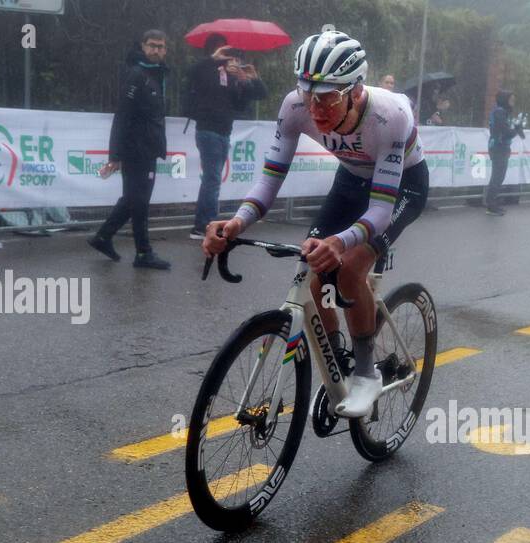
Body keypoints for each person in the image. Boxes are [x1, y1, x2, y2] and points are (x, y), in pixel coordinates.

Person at [203, 29, 429, 419]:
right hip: (351, 180)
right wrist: (239, 222)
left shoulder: (389, 115)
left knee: (351, 267)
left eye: (327, 98)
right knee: (313, 267)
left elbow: (378, 211)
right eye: (308, 94)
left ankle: (365, 372)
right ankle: (338, 356)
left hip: (402, 187)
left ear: (356, 92)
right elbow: (270, 177)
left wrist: (342, 243)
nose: (315, 108)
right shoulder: (295, 107)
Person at [89, 30, 172, 270]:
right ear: (143, 46)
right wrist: (115, 155)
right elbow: (122, 115)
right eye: (152, 45)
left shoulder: (156, 74)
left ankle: (103, 238)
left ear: (165, 50)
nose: (156, 50)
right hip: (137, 150)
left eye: (160, 46)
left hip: (148, 147)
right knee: (140, 201)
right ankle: (143, 253)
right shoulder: (137, 74)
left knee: (133, 199)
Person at [187, 34, 265, 239]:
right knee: (212, 179)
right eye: (222, 52)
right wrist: (213, 59)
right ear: (213, 52)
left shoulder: (232, 77)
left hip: (223, 132)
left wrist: (250, 78)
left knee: (213, 180)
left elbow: (258, 95)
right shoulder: (205, 71)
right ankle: (205, 225)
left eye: (229, 53)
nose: (227, 57)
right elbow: (191, 72)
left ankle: (203, 224)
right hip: (207, 130)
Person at [485, 89, 523, 216]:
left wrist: (516, 129)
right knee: (497, 177)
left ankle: (492, 203)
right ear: (504, 99)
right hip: (498, 147)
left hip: (501, 147)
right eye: (511, 99)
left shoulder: (503, 112)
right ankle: (491, 205)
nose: (513, 102)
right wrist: (517, 130)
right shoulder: (500, 112)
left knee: (498, 176)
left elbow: (506, 131)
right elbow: (505, 132)